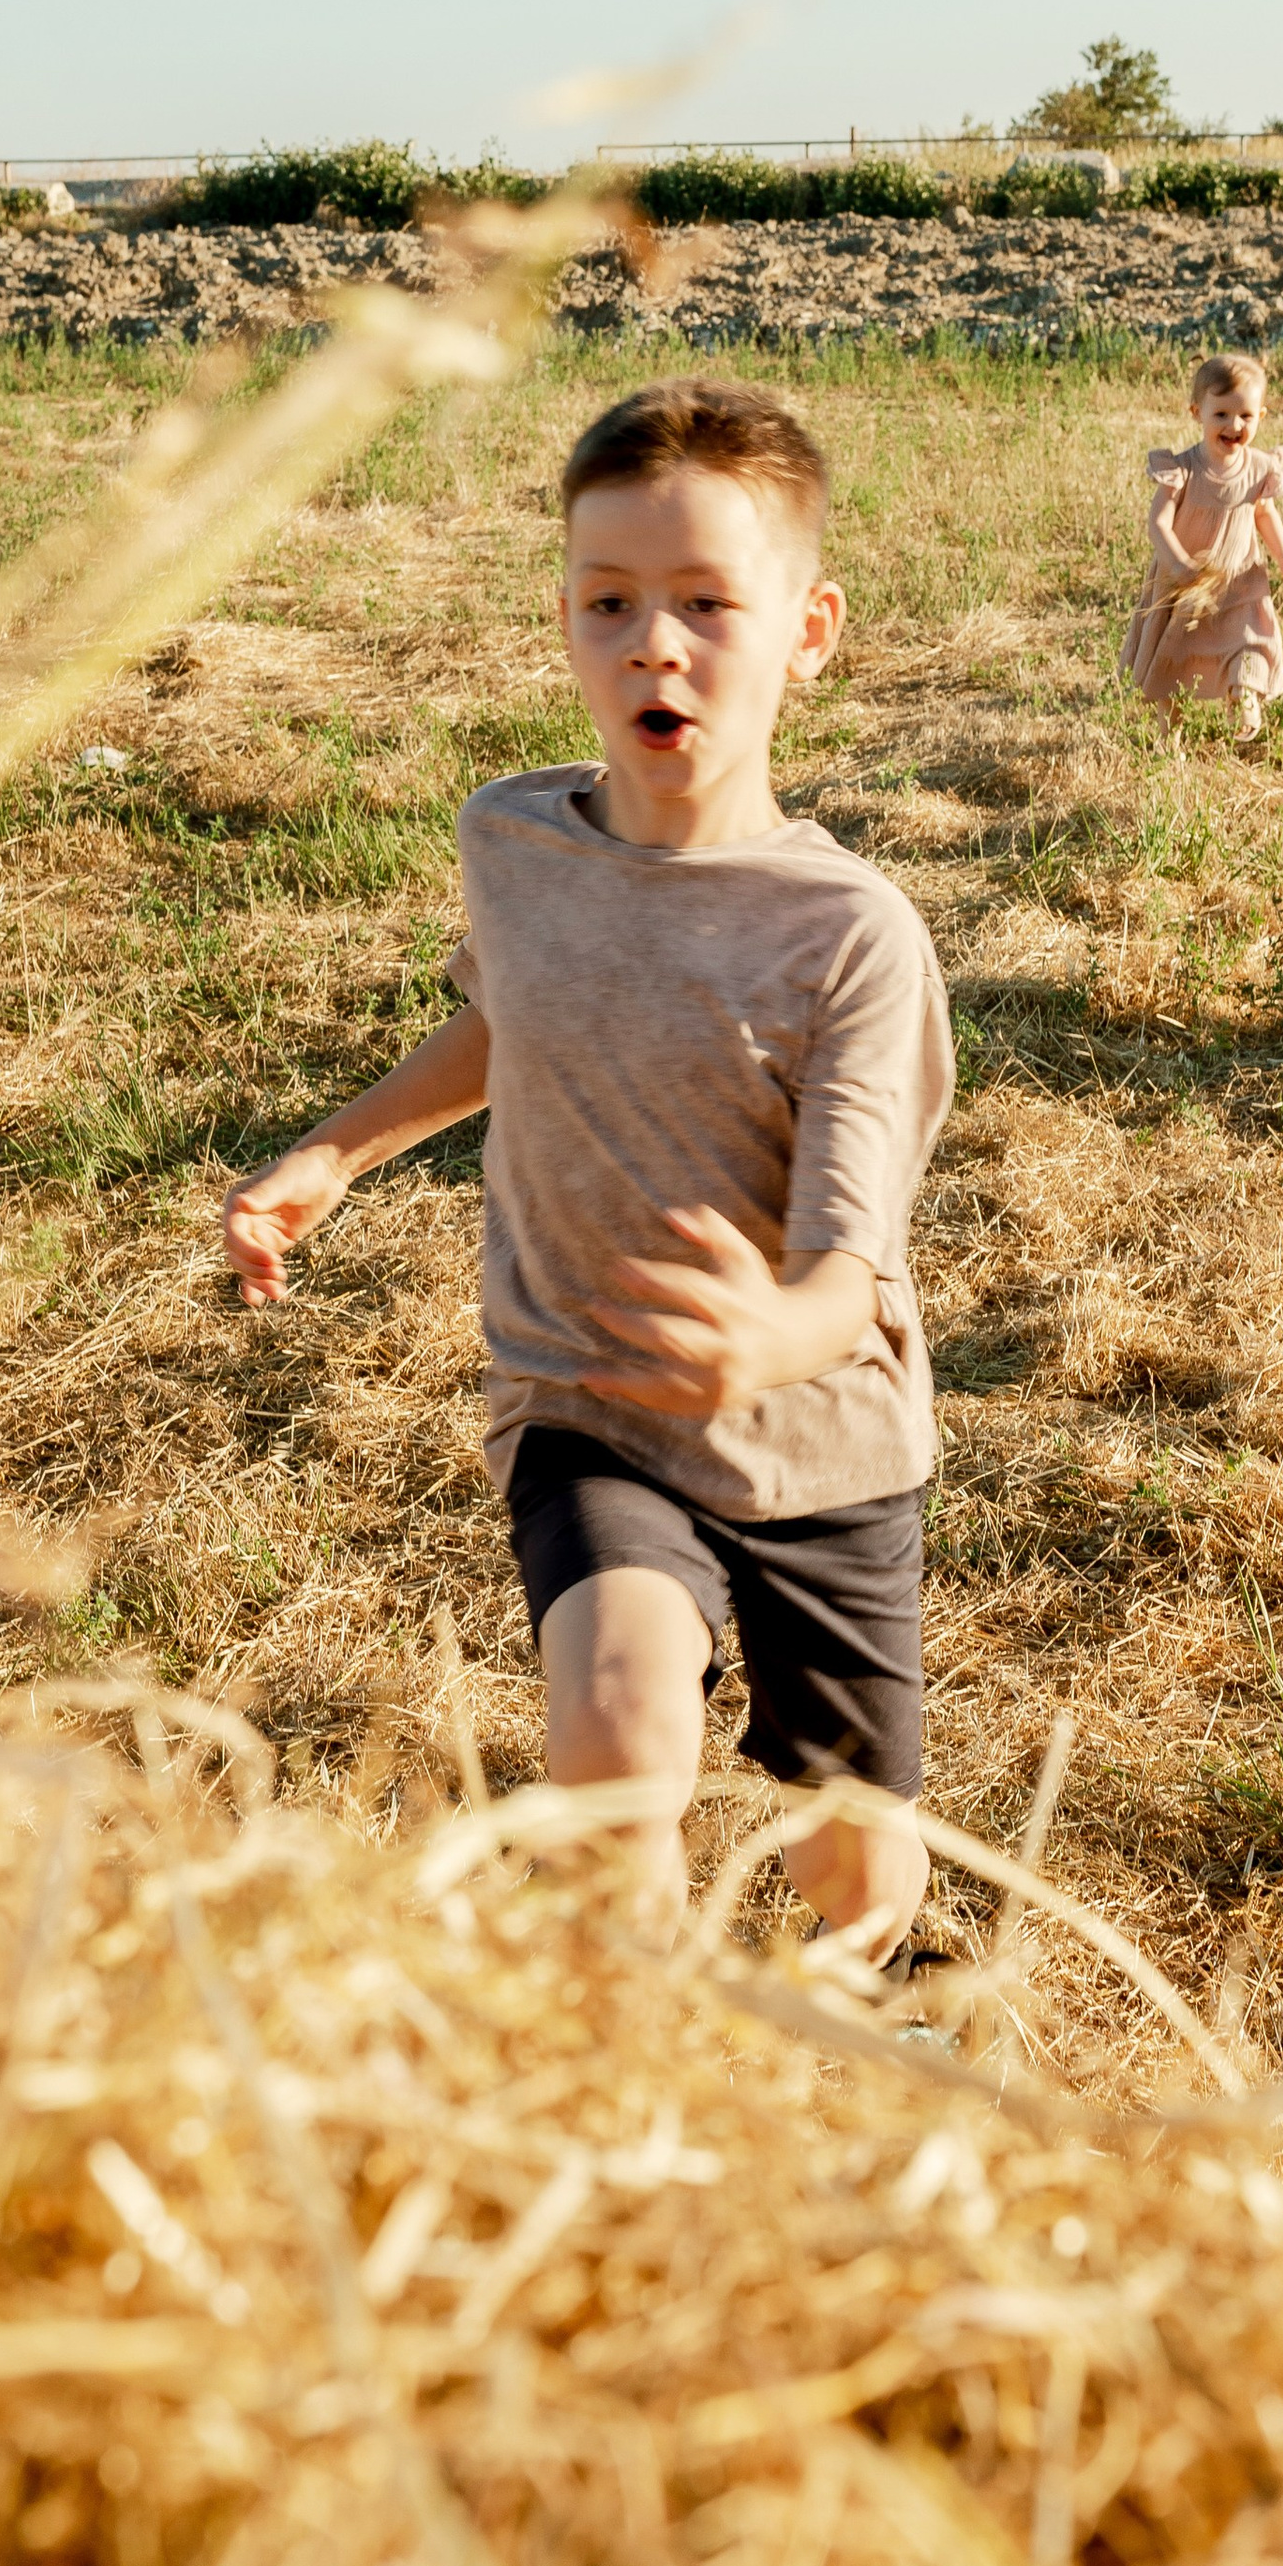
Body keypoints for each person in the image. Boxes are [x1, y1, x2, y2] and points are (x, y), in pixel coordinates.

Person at [220, 376, 951, 1965]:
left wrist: (772, 1336)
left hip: (822, 1447)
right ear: (564, 618)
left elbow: (848, 1257)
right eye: (609, 602)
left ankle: (886, 1976)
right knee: (615, 1749)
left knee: (855, 1876)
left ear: (807, 631)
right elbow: (514, 1024)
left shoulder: (851, 940)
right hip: (585, 1401)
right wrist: (336, 1153)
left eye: (706, 603)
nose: (654, 645)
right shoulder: (513, 843)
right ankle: (645, 2055)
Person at [1119, 349, 1283, 745]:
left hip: (1239, 575)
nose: (1234, 425)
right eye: (1221, 414)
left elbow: (1264, 515)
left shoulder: (1259, 467)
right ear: (1196, 412)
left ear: (1262, 416)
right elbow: (1158, 523)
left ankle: (1244, 695)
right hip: (1184, 581)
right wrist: (1179, 564)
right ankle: (1169, 738)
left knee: (1250, 638)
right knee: (1175, 658)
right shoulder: (1183, 468)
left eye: (1245, 416)